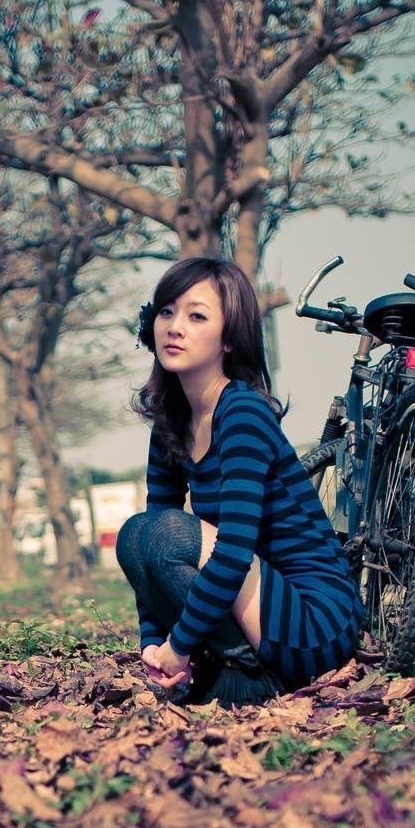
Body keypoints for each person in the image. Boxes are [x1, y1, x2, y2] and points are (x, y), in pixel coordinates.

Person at [115, 257, 361, 708]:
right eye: (166, 312)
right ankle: (229, 664)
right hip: (253, 603)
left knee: (168, 534)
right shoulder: (170, 423)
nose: (174, 327)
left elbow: (231, 551)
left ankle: (249, 670)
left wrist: (179, 645)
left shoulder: (243, 413)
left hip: (313, 622)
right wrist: (154, 643)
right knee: (135, 534)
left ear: (228, 338)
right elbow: (147, 553)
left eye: (197, 316)